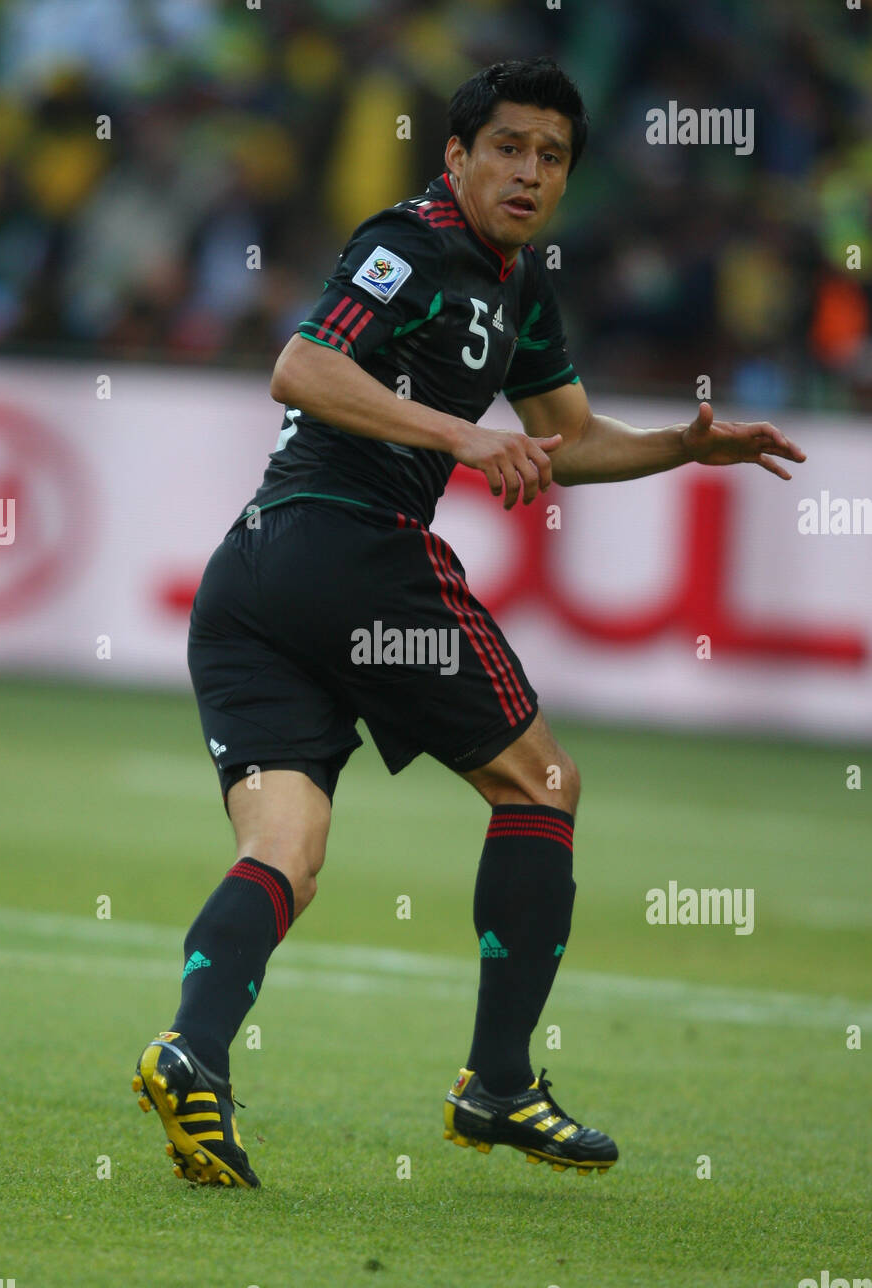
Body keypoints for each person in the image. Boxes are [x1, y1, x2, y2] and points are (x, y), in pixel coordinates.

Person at [132, 57, 805, 1189]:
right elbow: (300, 366)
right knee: (540, 785)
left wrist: (677, 448)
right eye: (505, 147)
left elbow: (564, 439)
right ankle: (496, 1084)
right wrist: (457, 437)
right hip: (348, 549)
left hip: (253, 583)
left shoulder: (521, 284)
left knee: (284, 850)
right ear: (455, 157)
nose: (527, 171)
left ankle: (190, 1050)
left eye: (550, 156)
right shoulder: (411, 242)